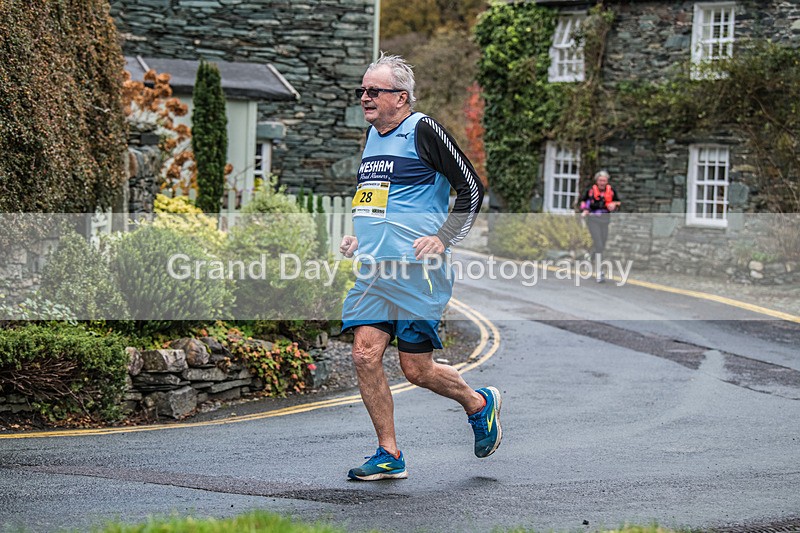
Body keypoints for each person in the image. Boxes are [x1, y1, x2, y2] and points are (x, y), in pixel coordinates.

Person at [338, 53, 500, 481]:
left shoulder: (423, 129)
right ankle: (388, 453)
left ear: (401, 97)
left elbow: (471, 187)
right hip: (375, 270)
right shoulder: (372, 138)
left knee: (417, 369)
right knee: (364, 353)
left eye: (374, 91)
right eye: (362, 91)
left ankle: (479, 404)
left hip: (418, 273)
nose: (365, 98)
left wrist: (443, 238)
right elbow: (374, 199)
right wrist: (359, 233)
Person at [580, 170, 621, 282]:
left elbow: (618, 202)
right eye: (600, 180)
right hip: (593, 219)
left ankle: (591, 256)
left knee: (602, 245)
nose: (602, 182)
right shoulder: (590, 191)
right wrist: (584, 210)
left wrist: (614, 205)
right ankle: (599, 272)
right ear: (597, 181)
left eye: (604, 180)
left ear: (607, 181)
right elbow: (583, 202)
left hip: (605, 220)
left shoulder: (611, 191)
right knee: (598, 244)